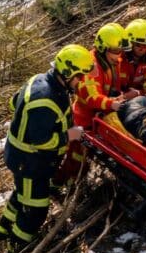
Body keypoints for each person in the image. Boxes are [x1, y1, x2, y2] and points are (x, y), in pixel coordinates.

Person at [0, 45, 93, 253]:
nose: (82, 82)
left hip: (22, 157)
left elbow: (14, 103)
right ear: (68, 73)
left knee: (21, 194)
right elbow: (42, 141)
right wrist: (69, 135)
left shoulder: (40, 80)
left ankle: (1, 232)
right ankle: (16, 249)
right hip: (31, 162)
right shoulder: (46, 99)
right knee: (36, 209)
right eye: (80, 77)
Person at [55, 24, 139, 185]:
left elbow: (117, 84)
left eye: (120, 51)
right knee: (76, 156)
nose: (118, 55)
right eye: (115, 51)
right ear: (103, 48)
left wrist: (125, 95)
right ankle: (64, 183)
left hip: (101, 120)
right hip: (83, 122)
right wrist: (113, 104)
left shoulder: (113, 61)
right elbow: (91, 97)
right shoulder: (90, 66)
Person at [122, 18, 146, 94]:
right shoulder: (118, 58)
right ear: (130, 42)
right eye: (138, 45)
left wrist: (139, 93)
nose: (143, 49)